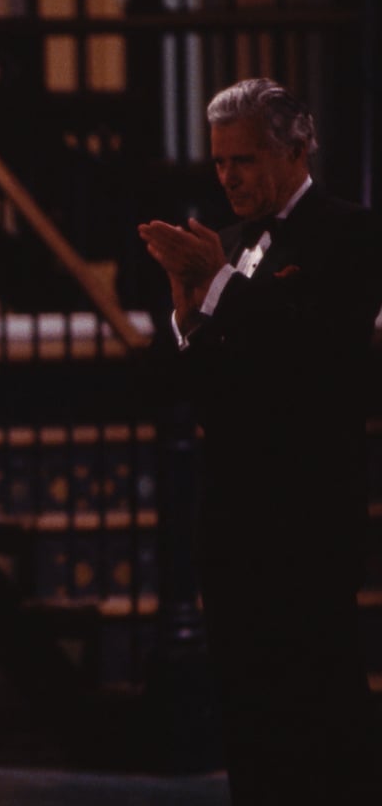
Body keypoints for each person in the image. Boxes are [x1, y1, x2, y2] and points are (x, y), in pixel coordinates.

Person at [138, 78, 382, 804]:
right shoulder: (232, 245)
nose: (229, 177)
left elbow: (322, 358)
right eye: (219, 163)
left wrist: (217, 287)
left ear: (298, 148)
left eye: (244, 160)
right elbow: (209, 393)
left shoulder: (353, 232)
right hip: (233, 520)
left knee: (320, 705)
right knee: (246, 709)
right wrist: (188, 317)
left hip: (309, 516)